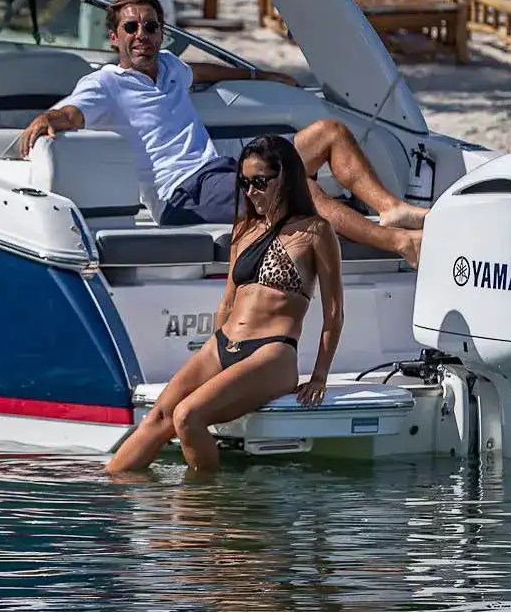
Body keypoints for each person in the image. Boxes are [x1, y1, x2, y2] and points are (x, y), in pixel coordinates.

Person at [18, 0, 425, 265]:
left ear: (162, 33)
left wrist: (259, 74)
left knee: (329, 132)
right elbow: (73, 112)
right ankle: (399, 244)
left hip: (221, 172)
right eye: (131, 28)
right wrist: (47, 119)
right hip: (182, 195)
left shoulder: (170, 68)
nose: (141, 35)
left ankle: (391, 211)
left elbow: (202, 70)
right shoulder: (106, 83)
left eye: (150, 27)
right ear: (114, 37)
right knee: (297, 185)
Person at [105, 135, 342, 472]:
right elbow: (228, 302)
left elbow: (334, 310)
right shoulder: (244, 230)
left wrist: (320, 375)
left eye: (259, 182)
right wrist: (216, 355)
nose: (250, 192)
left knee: (188, 416)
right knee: (160, 415)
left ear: (285, 179)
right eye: (244, 183)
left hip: (272, 351)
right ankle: (111, 497)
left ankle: (207, 511)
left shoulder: (315, 232)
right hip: (224, 344)